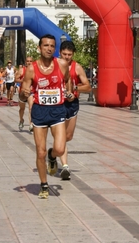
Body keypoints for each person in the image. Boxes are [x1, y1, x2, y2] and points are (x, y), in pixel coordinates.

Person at [19, 34, 73, 199]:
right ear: (39, 48)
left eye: (52, 46)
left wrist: (69, 92)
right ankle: (44, 185)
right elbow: (22, 95)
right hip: (40, 112)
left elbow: (68, 79)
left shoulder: (62, 64)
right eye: (46, 46)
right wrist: (24, 93)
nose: (49, 48)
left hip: (57, 110)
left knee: (60, 148)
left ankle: (53, 156)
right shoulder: (31, 69)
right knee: (40, 152)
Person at [58, 41, 92, 180]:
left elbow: (88, 87)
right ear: (60, 53)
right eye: (64, 54)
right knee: (60, 137)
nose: (66, 57)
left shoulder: (77, 67)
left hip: (72, 104)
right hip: (58, 104)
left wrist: (75, 89)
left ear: (73, 55)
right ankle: (65, 166)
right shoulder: (53, 66)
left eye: (69, 55)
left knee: (68, 136)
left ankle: (54, 153)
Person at [15, 57, 34, 132]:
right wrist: (23, 80)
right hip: (22, 92)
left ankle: (31, 124)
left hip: (30, 92)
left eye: (30, 61)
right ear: (25, 62)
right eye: (27, 61)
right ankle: (21, 120)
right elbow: (15, 79)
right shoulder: (22, 70)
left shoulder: (34, 70)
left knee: (31, 108)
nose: (29, 62)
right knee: (22, 109)